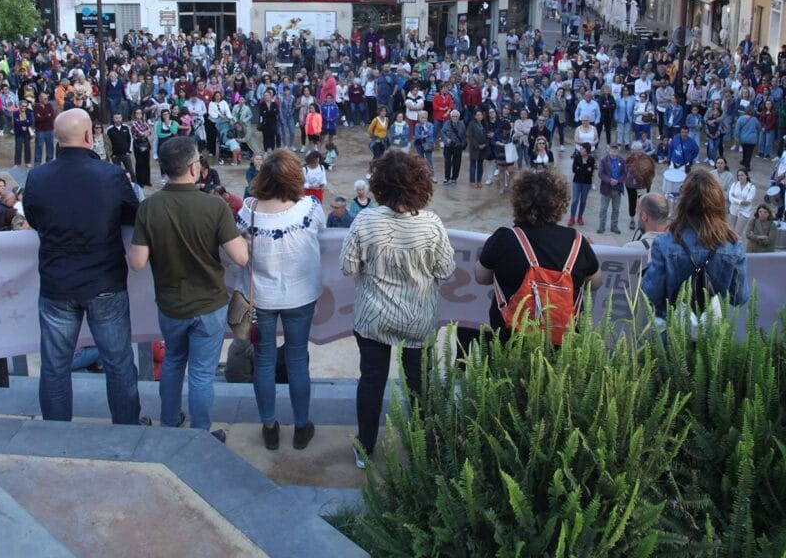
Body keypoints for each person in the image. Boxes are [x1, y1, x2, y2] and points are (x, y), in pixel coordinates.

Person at [22, 109, 143, 426]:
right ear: (90, 137)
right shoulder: (110, 175)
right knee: (118, 362)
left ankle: (58, 433)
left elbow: (34, 220)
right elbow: (134, 216)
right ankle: (127, 429)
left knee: (55, 365)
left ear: (58, 140)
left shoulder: (37, 177)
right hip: (105, 283)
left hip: (57, 285)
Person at [340, 150, 455, 468]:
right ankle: (422, 448)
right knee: (420, 384)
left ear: (379, 185)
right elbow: (445, 270)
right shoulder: (432, 225)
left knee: (372, 379)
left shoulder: (364, 220)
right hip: (419, 318)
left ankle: (365, 448)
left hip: (373, 317)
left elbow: (348, 268)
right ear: (421, 186)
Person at [130, 137, 249, 440]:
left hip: (170, 304)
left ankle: (169, 424)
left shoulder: (149, 207)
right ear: (195, 167)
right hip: (209, 304)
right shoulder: (214, 206)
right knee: (201, 374)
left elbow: (138, 262)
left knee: (172, 364)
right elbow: (240, 257)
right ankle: (200, 433)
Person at [238, 150, 323, 451]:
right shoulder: (310, 209)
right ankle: (301, 426)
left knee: (263, 360)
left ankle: (269, 426)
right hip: (301, 296)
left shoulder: (247, 212)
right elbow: (322, 234)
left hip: (261, 297)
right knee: (298, 358)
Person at [474, 170, 601, 341]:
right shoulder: (577, 241)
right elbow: (595, 283)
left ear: (518, 201)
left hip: (509, 341)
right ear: (559, 204)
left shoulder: (504, 238)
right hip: (562, 344)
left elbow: (482, 277)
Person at [640, 170, 749, 329]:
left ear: (683, 202)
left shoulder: (665, 243)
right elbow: (739, 297)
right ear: (718, 202)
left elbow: (651, 295)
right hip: (712, 335)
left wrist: (650, 267)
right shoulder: (733, 245)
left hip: (672, 332)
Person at [596, 142, 627, 235]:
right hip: (606, 188)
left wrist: (618, 181)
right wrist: (610, 180)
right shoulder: (603, 160)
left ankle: (614, 226)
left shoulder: (622, 160)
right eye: (612, 150)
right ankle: (601, 226)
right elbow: (600, 173)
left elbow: (625, 174)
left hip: (617, 189)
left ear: (618, 151)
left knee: (616, 209)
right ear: (609, 150)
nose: (614, 152)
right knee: (603, 209)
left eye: (615, 150)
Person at [568, 141, 596, 227]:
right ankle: (572, 217)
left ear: (586, 150)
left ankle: (580, 217)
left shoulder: (591, 159)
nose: (581, 150)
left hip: (586, 183)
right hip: (577, 181)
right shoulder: (577, 157)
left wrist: (580, 168)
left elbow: (590, 172)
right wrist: (585, 169)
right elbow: (574, 170)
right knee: (575, 200)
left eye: (582, 149)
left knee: (583, 201)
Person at [727, 168, 758, 236]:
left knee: (738, 232)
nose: (740, 177)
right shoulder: (734, 184)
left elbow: (747, 202)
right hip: (734, 210)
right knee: (731, 229)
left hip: (744, 212)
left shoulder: (751, 187)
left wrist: (735, 199)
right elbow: (730, 198)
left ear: (746, 176)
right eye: (739, 175)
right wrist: (740, 202)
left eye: (742, 175)